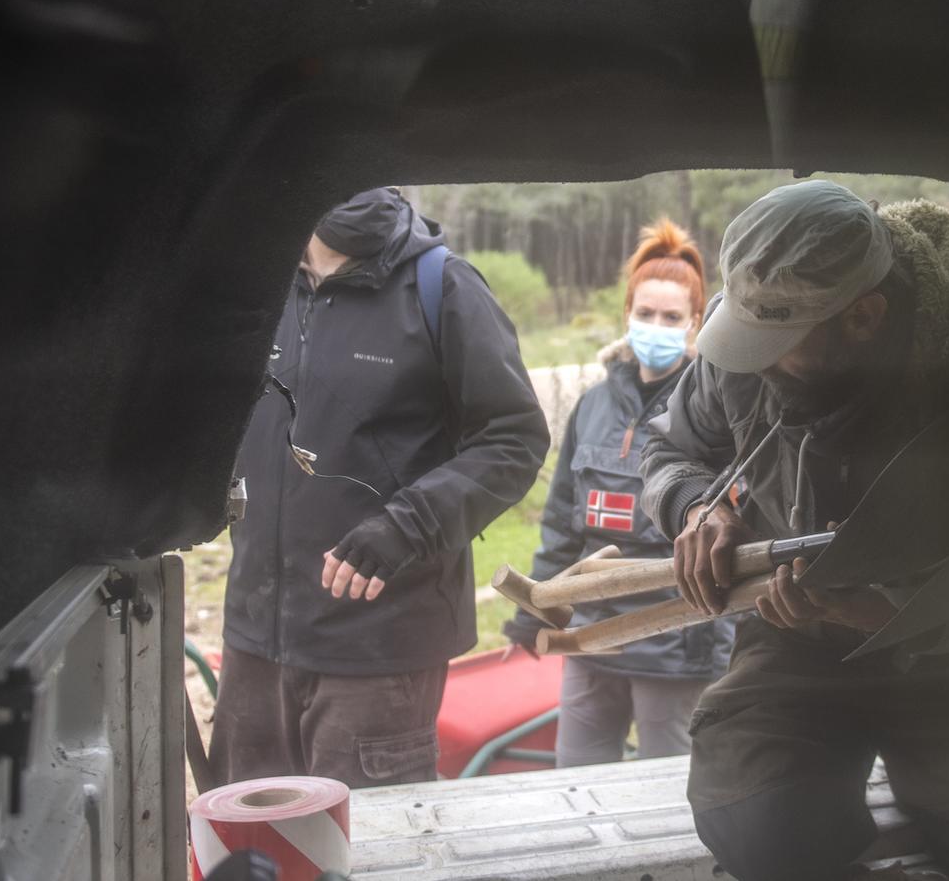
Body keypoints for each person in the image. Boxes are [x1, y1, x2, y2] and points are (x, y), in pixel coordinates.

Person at [639, 180, 949, 881]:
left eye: (779, 346)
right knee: (760, 823)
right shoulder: (747, 335)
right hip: (791, 644)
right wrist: (699, 507)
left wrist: (887, 614)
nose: (755, 361)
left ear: (864, 316)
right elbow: (670, 449)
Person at [212, 186, 551, 788]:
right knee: (251, 856)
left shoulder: (441, 286)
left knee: (368, 856)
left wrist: (408, 525)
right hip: (254, 645)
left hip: (380, 650)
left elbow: (514, 440)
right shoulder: (258, 284)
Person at [502, 219, 733, 766]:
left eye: (671, 317)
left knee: (665, 793)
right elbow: (562, 520)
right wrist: (535, 607)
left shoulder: (714, 413)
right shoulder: (593, 406)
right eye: (645, 313)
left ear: (695, 324)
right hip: (592, 637)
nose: (656, 325)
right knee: (574, 780)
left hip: (678, 642)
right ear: (627, 315)